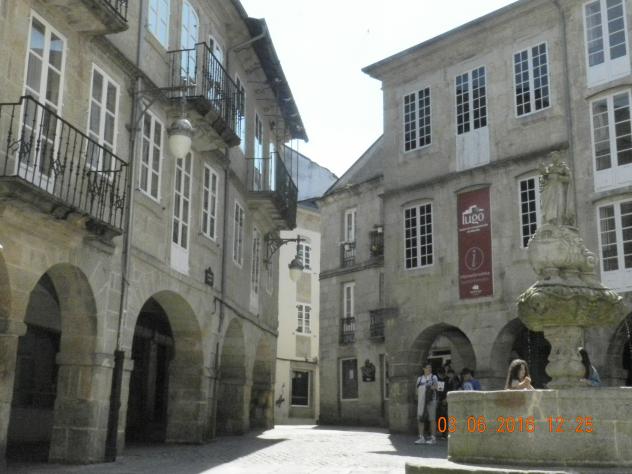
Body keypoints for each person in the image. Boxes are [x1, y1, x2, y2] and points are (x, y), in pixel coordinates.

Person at [414, 362, 439, 445]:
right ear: (423, 369)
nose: (429, 369)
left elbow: (438, 387)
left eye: (430, 367)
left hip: (431, 400)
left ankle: (433, 438)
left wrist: (430, 387)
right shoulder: (420, 378)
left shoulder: (434, 377)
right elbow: (416, 391)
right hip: (421, 401)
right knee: (420, 419)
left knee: (432, 419)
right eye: (428, 367)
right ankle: (421, 438)